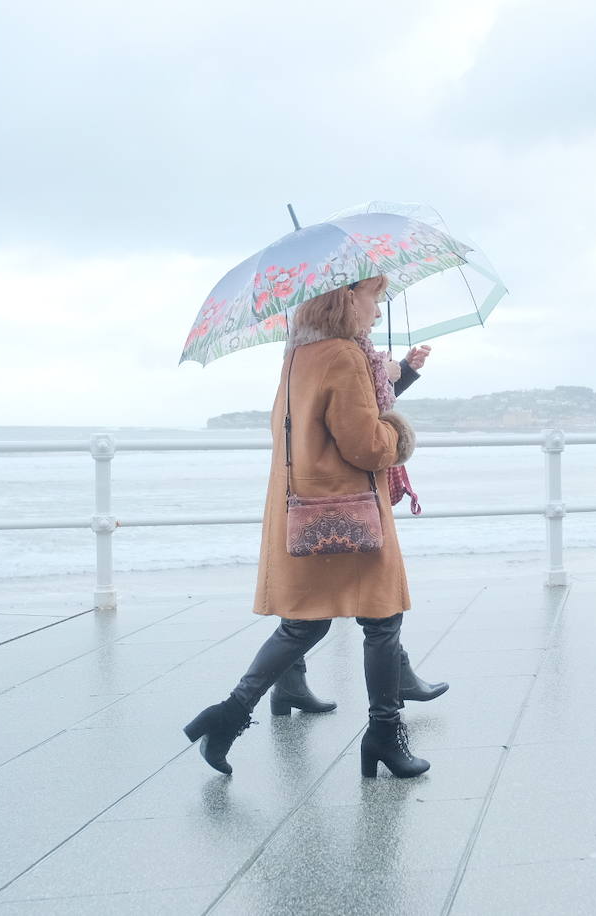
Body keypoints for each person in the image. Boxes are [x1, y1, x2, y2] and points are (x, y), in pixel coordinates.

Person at [183, 275, 431, 778]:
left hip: (307, 508)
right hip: (349, 506)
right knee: (382, 621)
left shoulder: (299, 355)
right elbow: (365, 445)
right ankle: (385, 735)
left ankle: (226, 717)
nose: (378, 312)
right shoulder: (343, 356)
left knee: (305, 622)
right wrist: (398, 432)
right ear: (347, 297)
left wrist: (388, 382)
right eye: (374, 299)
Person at [266, 340, 448, 717]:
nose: (376, 313)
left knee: (318, 602)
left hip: (318, 492)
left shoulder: (309, 352)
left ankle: (289, 684)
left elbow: (358, 407)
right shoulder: (333, 352)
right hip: (339, 492)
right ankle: (243, 705)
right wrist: (392, 411)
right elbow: (358, 430)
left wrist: (400, 372)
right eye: (372, 299)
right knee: (356, 603)